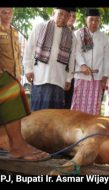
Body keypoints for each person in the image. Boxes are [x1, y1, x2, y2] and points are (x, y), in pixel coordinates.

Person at [0, 8, 49, 161]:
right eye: (3, 10)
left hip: (11, 75)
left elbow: (15, 56)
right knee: (10, 89)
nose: (7, 12)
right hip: (2, 76)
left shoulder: (14, 31)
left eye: (9, 10)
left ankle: (14, 142)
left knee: (15, 88)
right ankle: (17, 146)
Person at [23, 8, 76, 111]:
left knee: (54, 116)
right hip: (40, 78)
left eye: (66, 16)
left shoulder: (71, 36)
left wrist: (69, 78)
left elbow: (72, 58)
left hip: (59, 80)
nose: (63, 18)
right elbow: (29, 49)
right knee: (38, 115)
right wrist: (28, 69)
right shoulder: (40, 27)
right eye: (60, 14)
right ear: (53, 13)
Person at [71, 9, 109, 115]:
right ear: (86, 20)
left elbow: (107, 58)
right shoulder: (78, 33)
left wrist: (105, 77)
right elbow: (77, 52)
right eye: (91, 20)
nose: (94, 23)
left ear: (100, 21)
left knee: (94, 107)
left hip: (97, 78)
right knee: (78, 105)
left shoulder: (104, 37)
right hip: (81, 77)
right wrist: (83, 65)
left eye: (97, 20)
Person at [64, 8, 77, 109]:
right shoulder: (57, 30)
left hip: (71, 75)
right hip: (57, 74)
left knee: (67, 104)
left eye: (74, 17)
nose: (72, 18)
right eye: (70, 16)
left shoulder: (76, 35)